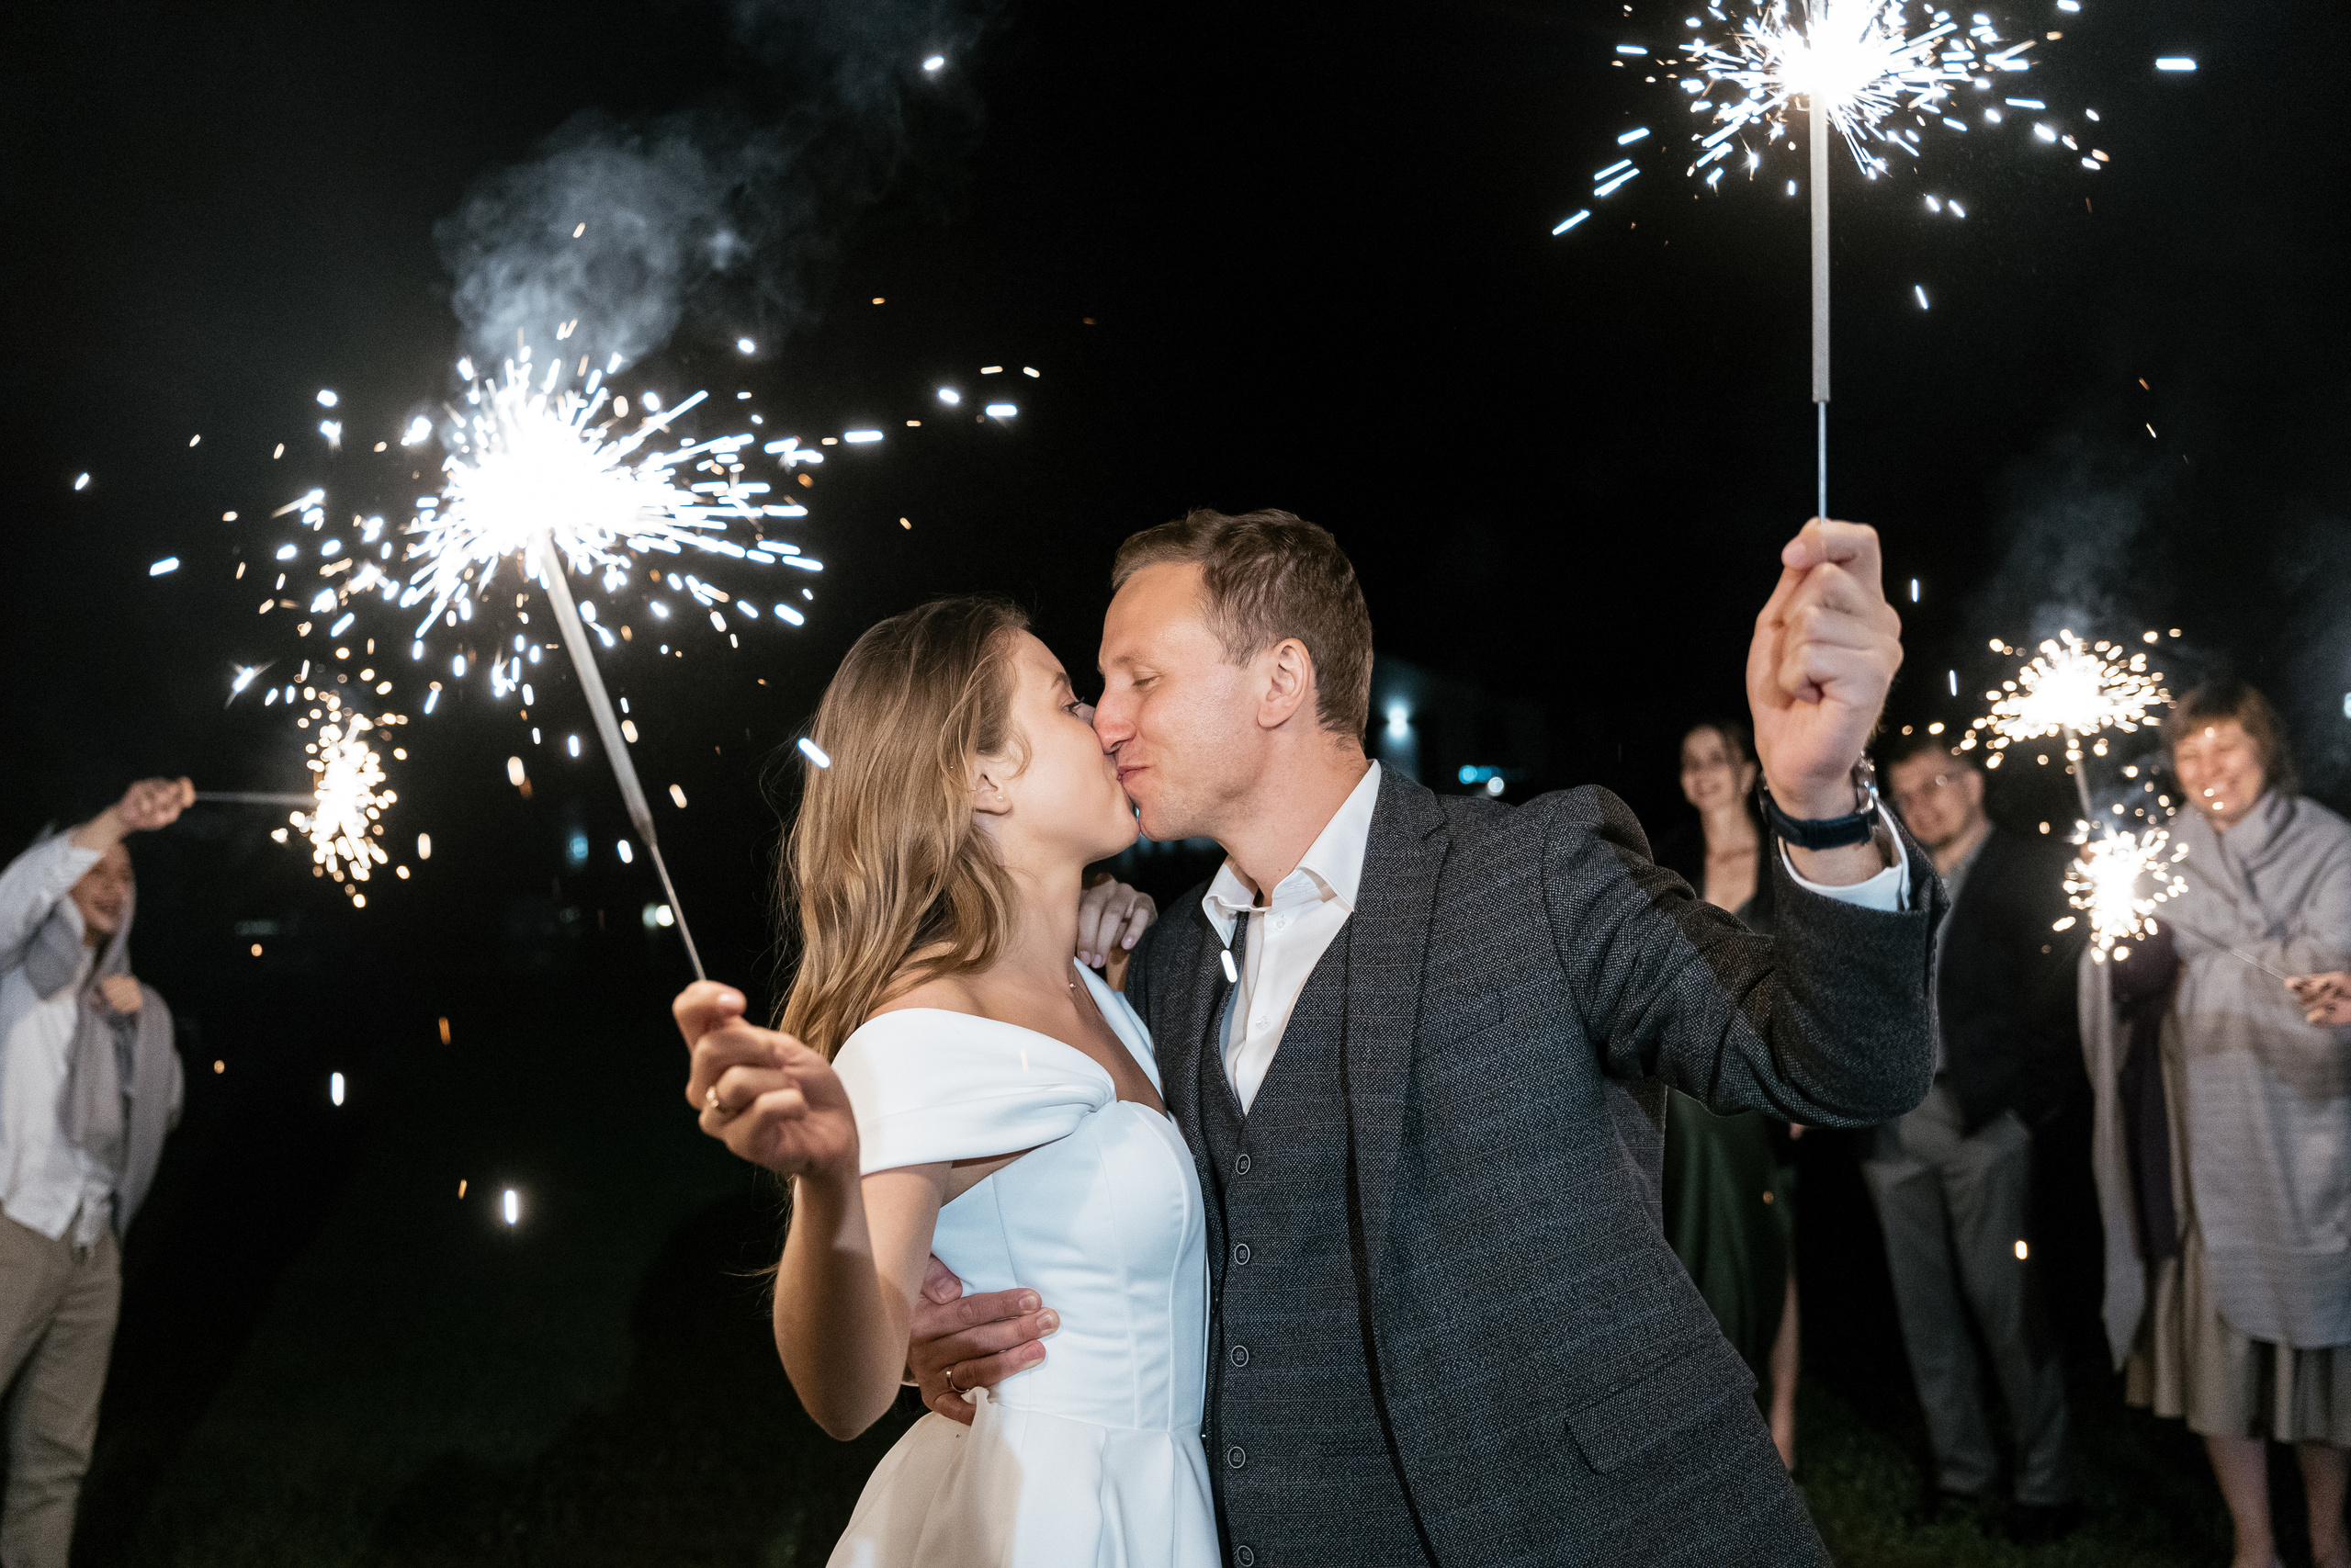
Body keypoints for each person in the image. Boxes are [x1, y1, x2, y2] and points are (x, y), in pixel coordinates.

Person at [903, 508, 1942, 1566]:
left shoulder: (1540, 870)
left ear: (1279, 681)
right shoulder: (1160, 965)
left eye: (1141, 678)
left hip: (1609, 1533)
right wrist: (945, 1324)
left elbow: (1838, 1062)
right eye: (1101, 686)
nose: (1108, 721)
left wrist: (1819, 805)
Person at [674, 598, 1197, 1566]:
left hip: (1152, 1506)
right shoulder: (927, 1033)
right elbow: (845, 1396)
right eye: (1068, 703)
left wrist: (1124, 936)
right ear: (982, 776)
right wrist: (828, 1178)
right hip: (1037, 1524)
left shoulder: (1103, 989)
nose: (1104, 722)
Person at [2082, 680, 2351, 1568]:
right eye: (2191, 753)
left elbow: (2332, 965)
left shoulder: (2328, 845)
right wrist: (2121, 946)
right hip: (2202, 1136)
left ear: (2265, 747)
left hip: (2314, 1136)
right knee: (2219, 1348)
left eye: (2227, 745)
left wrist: (2205, 959)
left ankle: (2329, 1531)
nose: (2210, 768)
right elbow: (2122, 979)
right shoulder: (2160, 855)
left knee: (2323, 1344)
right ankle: (2253, 1537)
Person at [1873, 734, 2081, 1539]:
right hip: (1895, 1122)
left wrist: (2026, 1108)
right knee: (1923, 1310)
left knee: (2009, 1306)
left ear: (1974, 780)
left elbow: (2059, 996)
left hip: (1986, 1117)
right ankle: (1962, 1470)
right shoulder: (1894, 879)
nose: (1920, 804)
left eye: (1935, 783)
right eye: (1904, 794)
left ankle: (2046, 1483)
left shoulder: (2028, 869)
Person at [0, 776, 192, 1568]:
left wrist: (144, 1029)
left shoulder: (124, 994)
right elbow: (16, 893)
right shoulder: (15, 971)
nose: (113, 886)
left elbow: (165, 1110)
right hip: (13, 1232)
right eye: (96, 870)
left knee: (55, 1463)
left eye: (126, 874)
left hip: (89, 1248)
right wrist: (118, 819)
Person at [1653, 719, 1801, 1470]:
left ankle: (1781, 1419)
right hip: (1689, 1088)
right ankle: (1706, 1409)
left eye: (1718, 758)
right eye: (1692, 761)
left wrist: (1808, 1078)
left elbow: (1812, 979)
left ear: (1748, 771)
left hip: (1773, 1084)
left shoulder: (1788, 862)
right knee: (1692, 1234)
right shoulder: (1666, 865)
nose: (1705, 772)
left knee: (1775, 1240)